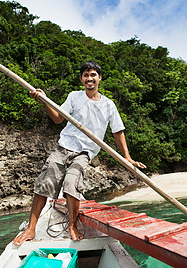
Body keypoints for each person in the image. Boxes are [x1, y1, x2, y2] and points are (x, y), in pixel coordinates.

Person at [13, 60, 146, 246]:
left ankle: (72, 225)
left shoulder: (109, 105)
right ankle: (31, 228)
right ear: (81, 79)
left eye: (93, 75)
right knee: (46, 181)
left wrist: (127, 157)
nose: (89, 78)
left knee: (71, 183)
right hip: (64, 146)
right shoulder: (74, 97)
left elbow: (118, 131)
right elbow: (58, 118)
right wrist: (44, 101)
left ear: (99, 78)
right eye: (86, 75)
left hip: (85, 152)